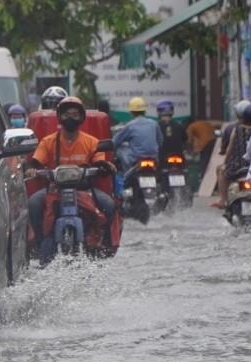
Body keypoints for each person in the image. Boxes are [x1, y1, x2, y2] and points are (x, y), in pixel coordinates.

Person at [25, 97, 116, 251]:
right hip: (55, 189)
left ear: (81, 118)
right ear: (59, 117)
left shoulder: (92, 142)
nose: (70, 118)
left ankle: (103, 244)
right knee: (33, 203)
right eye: (67, 114)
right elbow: (35, 162)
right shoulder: (48, 141)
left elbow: (99, 162)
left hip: (85, 190)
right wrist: (31, 169)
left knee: (109, 204)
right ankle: (40, 242)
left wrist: (104, 166)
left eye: (75, 114)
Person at [112, 96, 161, 172]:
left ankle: (125, 175)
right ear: (144, 111)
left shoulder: (130, 125)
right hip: (154, 159)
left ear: (131, 112)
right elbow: (160, 141)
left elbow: (115, 142)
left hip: (136, 160)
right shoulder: (154, 123)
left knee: (120, 150)